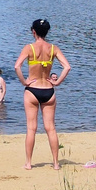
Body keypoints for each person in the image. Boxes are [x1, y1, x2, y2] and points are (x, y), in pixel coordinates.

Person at [13, 18, 70, 171]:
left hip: (32, 90)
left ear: (34, 32)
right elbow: (67, 67)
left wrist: (24, 82)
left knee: (31, 128)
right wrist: (57, 83)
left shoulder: (29, 48)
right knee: (50, 128)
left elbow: (17, 66)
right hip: (48, 91)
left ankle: (29, 163)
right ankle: (56, 163)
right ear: (47, 32)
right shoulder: (53, 49)